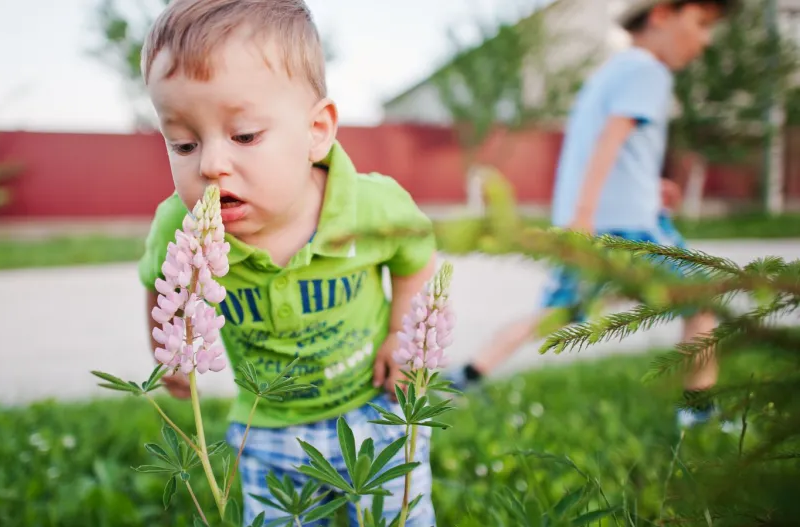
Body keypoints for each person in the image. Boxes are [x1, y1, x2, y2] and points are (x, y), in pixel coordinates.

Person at [136, 1, 438, 524]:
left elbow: (417, 258)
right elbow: (161, 287)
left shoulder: (372, 205)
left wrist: (401, 334)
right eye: (183, 144)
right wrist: (169, 350)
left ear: (317, 130)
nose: (210, 164)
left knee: (401, 516)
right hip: (267, 424)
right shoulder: (177, 226)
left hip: (376, 408)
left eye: (245, 135)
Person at [446, 0, 734, 429]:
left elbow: (603, 148)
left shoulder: (610, 73)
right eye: (701, 23)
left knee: (556, 312)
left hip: (591, 221)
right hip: (625, 229)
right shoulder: (648, 71)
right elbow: (610, 140)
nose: (705, 40)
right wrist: (586, 215)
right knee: (702, 297)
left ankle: (468, 374)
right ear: (661, 15)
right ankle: (699, 412)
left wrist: (639, 188)